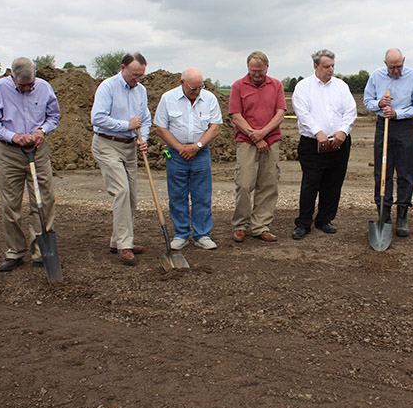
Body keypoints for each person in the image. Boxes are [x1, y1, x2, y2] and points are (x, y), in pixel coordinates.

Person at [0, 57, 61, 272]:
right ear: (12, 77)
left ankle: (41, 252)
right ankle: (15, 251)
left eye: (30, 84)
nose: (27, 88)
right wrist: (13, 136)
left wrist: (41, 131)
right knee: (10, 203)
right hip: (9, 152)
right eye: (22, 85)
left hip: (38, 150)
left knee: (43, 199)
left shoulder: (44, 88)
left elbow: (54, 116)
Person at [90, 52, 151, 266]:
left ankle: (118, 240)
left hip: (129, 148)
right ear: (123, 67)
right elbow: (97, 118)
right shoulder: (107, 87)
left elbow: (145, 119)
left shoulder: (141, 91)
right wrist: (127, 126)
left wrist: (144, 139)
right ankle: (125, 244)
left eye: (141, 75)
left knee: (131, 195)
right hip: (107, 144)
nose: (137, 79)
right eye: (134, 74)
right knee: (121, 191)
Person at [291, 49, 357, 240]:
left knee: (334, 182)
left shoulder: (341, 86)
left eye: (333, 66)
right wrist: (317, 132)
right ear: (316, 66)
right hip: (312, 144)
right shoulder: (303, 87)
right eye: (327, 66)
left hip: (339, 142)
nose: (331, 69)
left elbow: (350, 111)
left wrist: (343, 131)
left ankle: (324, 219)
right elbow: (302, 113)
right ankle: (304, 223)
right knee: (311, 183)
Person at [155, 68, 223, 250]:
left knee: (202, 195)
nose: (197, 91)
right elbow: (161, 128)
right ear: (182, 83)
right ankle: (181, 234)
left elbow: (215, 127)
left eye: (200, 87)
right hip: (175, 154)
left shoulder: (209, 99)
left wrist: (196, 147)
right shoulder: (168, 99)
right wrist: (180, 148)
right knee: (177, 195)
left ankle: (202, 234)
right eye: (194, 88)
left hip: (201, 153)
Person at [363, 48, 413, 236]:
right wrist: (380, 104)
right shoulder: (376, 77)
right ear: (385, 64)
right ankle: (383, 214)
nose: (396, 71)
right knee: (382, 171)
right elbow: (367, 101)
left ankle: (402, 216)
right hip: (383, 126)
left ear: (404, 61)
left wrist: (398, 113)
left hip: (405, 127)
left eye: (399, 66)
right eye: (392, 68)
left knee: (405, 172)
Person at [229, 51, 286, 243]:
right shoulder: (238, 86)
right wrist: (255, 136)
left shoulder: (276, 85)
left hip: (271, 140)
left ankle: (260, 226)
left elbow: (279, 114)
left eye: (260, 70)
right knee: (244, 183)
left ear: (267, 68)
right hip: (246, 141)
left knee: (268, 184)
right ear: (248, 68)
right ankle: (240, 225)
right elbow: (236, 116)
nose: (257, 74)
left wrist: (264, 133)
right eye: (253, 70)